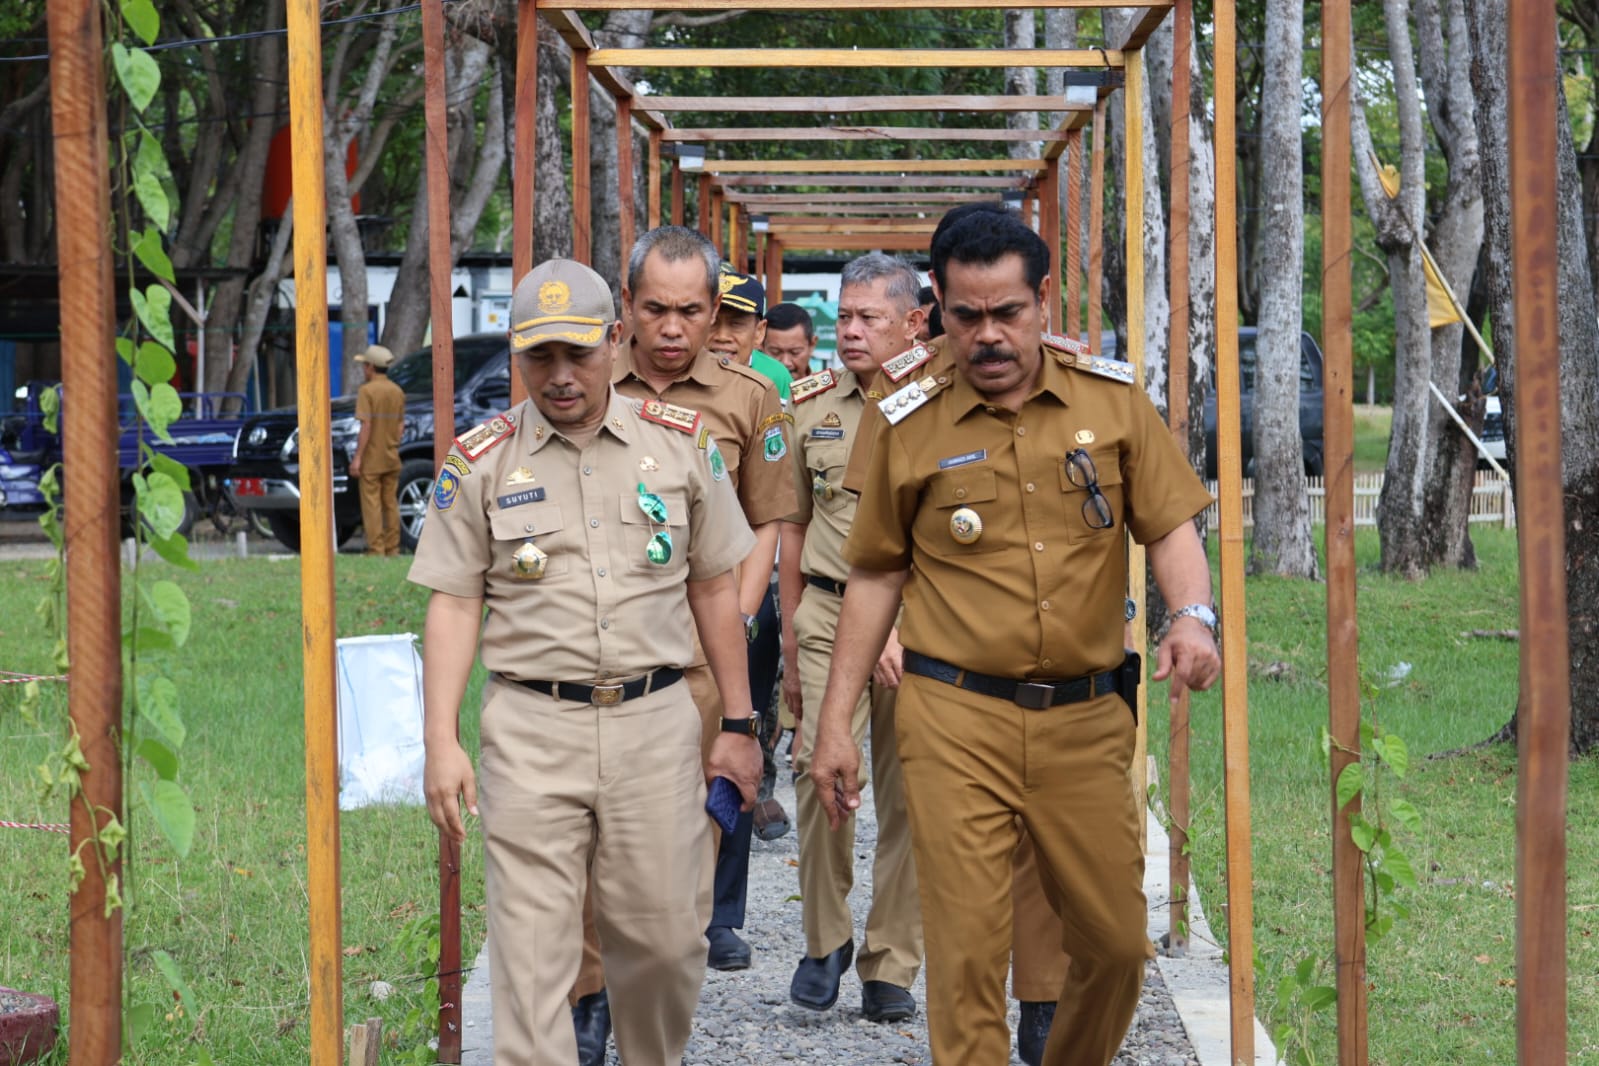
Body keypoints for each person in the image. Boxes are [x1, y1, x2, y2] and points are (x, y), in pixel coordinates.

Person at [809, 209, 1221, 1066]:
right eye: (967, 316)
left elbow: (1171, 524)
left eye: (1007, 313)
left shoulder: (1109, 402)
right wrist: (833, 722)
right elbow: (877, 571)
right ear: (937, 312)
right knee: (964, 957)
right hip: (953, 718)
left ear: (1040, 301)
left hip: (1085, 718)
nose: (989, 335)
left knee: (1112, 945)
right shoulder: (903, 419)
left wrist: (1191, 616)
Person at [413, 258, 763, 1066]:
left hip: (654, 725)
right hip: (533, 728)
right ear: (515, 355)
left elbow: (714, 588)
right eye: (540, 358)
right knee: (532, 953)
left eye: (579, 353)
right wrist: (440, 740)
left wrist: (739, 724)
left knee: (670, 940)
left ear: (616, 339)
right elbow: (455, 601)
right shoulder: (481, 462)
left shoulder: (681, 448)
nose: (561, 377)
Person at [777, 252, 926, 1024]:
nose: (854, 331)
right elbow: (793, 529)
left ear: (915, 322)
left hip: (924, 621)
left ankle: (890, 960)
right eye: (847, 315)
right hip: (829, 613)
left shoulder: (943, 403)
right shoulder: (809, 405)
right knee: (814, 771)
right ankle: (823, 938)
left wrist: (898, 625)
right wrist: (792, 647)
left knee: (911, 794)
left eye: (872, 317)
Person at [709, 264, 793, 839]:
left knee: (746, 710)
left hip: (744, 579)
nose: (719, 334)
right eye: (709, 317)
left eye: (735, 322)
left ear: (758, 332)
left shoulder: (769, 386)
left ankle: (724, 914)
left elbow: (773, 504)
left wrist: (748, 605)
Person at [351, 343, 406, 555]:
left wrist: (357, 458)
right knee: (390, 504)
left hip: (372, 459)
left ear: (371, 367)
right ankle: (393, 548)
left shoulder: (367, 391)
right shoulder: (397, 391)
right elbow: (401, 426)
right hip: (392, 456)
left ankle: (376, 548)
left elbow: (366, 425)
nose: (364, 369)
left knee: (371, 504)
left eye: (365, 365)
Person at [762, 301, 819, 377]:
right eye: (775, 352)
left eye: (795, 352)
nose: (785, 362)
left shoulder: (830, 387)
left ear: (812, 345)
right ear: (761, 346)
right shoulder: (748, 387)